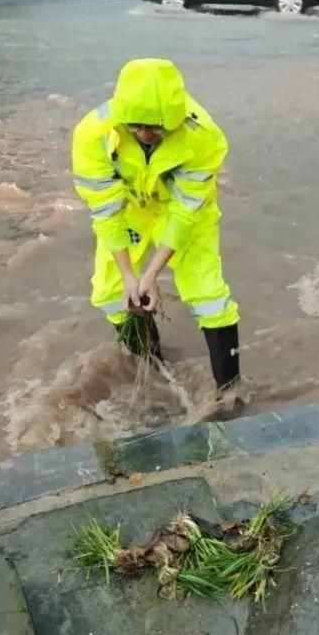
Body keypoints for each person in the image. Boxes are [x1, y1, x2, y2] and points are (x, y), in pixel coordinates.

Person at [71, 58, 241, 392]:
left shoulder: (204, 136)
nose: (146, 134)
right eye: (136, 125)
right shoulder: (93, 134)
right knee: (111, 293)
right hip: (131, 205)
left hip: (186, 209)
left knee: (207, 293)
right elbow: (105, 211)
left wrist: (151, 275)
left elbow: (183, 214)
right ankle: (155, 376)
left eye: (157, 127)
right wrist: (131, 278)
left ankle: (230, 391)